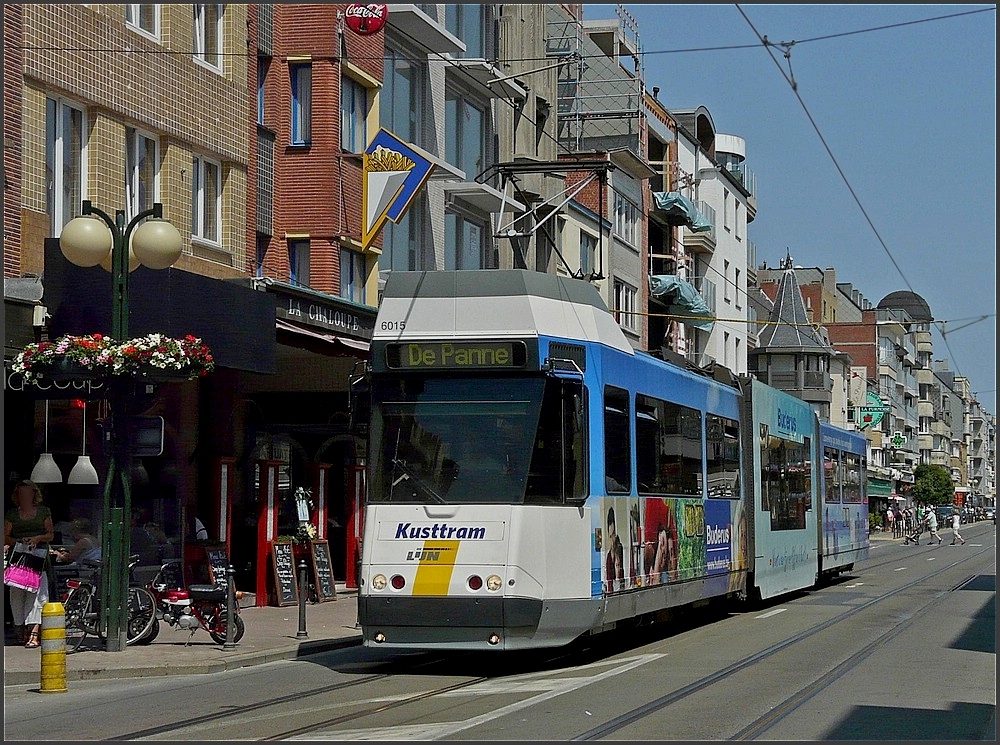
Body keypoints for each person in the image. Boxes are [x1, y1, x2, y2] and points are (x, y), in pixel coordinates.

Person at [3, 479, 54, 648]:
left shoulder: (43, 512)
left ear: (34, 494)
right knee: (16, 596)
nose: (25, 496)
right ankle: (21, 629)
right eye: (21, 493)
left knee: (37, 596)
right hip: (18, 559)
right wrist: (20, 541)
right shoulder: (12, 514)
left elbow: (50, 535)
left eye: (28, 493)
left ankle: (33, 633)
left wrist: (37, 538)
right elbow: (5, 536)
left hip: (38, 560)